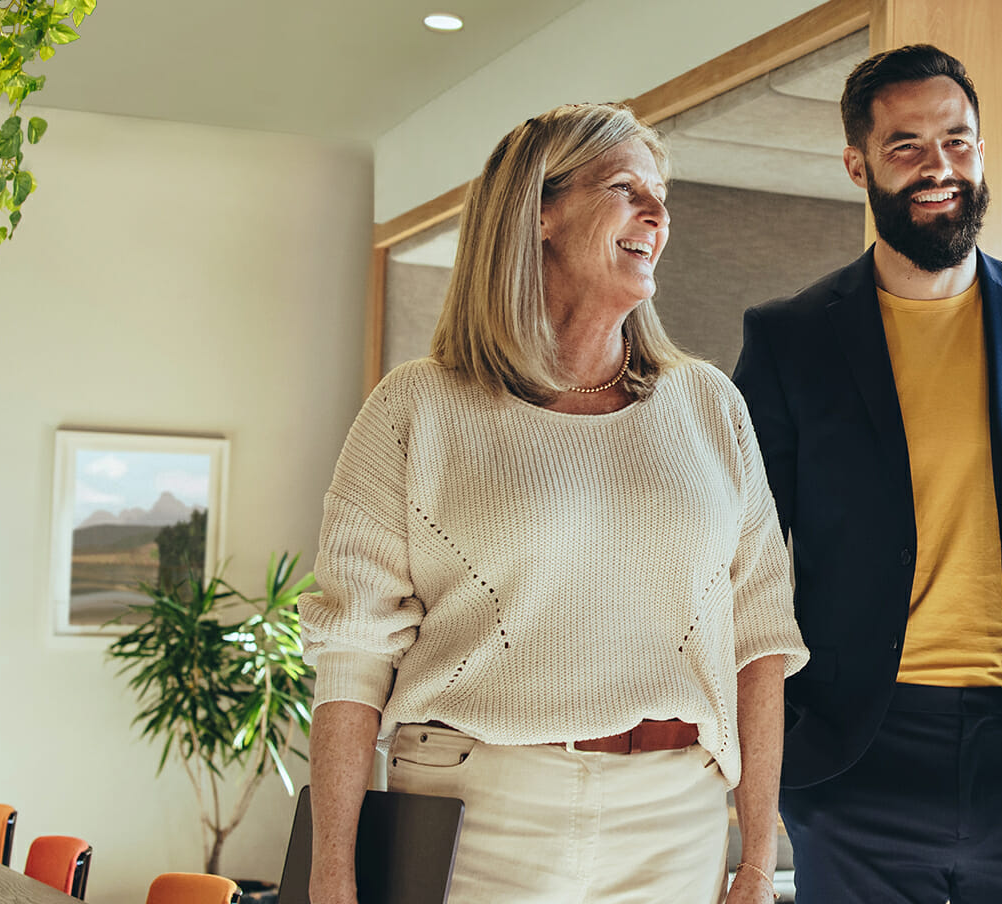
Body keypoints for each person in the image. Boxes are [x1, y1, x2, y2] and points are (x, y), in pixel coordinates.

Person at [300, 102, 808, 904]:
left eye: (661, 194)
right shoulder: (417, 407)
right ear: (542, 211)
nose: (658, 214)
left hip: (674, 815)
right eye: (625, 187)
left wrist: (754, 859)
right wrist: (333, 869)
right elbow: (353, 656)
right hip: (475, 810)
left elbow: (760, 640)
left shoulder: (709, 406)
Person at [729, 44, 1002, 903]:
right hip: (857, 752)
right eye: (906, 146)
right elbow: (739, 562)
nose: (939, 166)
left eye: (958, 140)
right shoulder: (789, 338)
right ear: (857, 164)